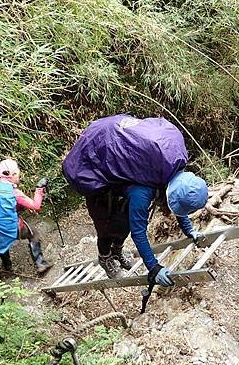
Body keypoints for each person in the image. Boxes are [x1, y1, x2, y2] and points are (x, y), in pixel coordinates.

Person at [62, 115, 208, 286]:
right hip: (96, 168)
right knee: (105, 228)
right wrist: (153, 267)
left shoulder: (175, 166)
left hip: (117, 165)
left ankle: (117, 252)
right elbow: (139, 232)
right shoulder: (142, 191)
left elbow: (179, 198)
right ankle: (105, 258)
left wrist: (190, 230)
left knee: (123, 225)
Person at [0, 158, 52, 274]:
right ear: (13, 175)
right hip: (9, 226)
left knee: (0, 239)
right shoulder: (14, 193)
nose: (19, 176)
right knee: (33, 234)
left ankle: (7, 266)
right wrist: (39, 189)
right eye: (17, 174)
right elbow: (35, 206)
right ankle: (41, 264)